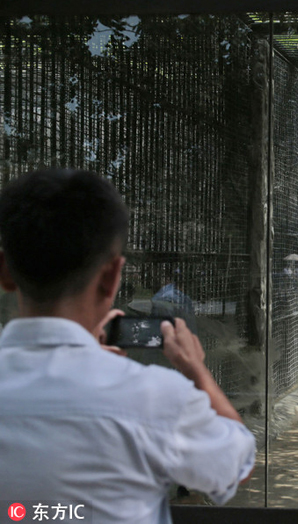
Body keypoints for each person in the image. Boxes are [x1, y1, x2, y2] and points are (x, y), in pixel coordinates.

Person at [0, 169, 256, 523]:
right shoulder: (158, 398)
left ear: (4, 271)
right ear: (111, 276)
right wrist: (196, 368)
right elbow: (238, 464)